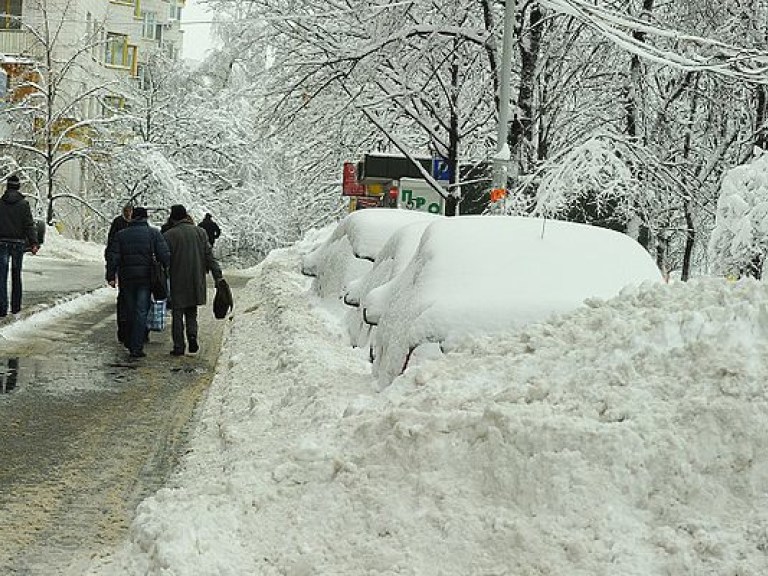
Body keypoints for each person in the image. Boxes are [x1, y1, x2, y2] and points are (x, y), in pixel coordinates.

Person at [106, 207, 170, 358]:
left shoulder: (121, 235)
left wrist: (110, 275)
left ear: (132, 218)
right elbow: (165, 255)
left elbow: (112, 256)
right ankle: (136, 346)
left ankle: (128, 339)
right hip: (145, 278)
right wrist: (164, 269)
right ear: (146, 218)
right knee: (141, 311)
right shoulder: (154, 233)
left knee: (128, 309)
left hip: (126, 278)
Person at [163, 204, 223, 356]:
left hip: (177, 280)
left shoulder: (169, 235)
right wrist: (218, 276)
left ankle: (179, 346)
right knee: (191, 312)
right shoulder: (201, 233)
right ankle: (192, 336)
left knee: (177, 314)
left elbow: (164, 261)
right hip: (196, 279)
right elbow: (209, 257)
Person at [0, 174, 39, 317]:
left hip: (2, 243)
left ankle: (1, 308)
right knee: (16, 275)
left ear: (7, 186)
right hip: (18, 244)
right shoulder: (24, 204)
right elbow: (29, 225)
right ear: (18, 187)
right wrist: (34, 242)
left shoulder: (1, 203)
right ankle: (15, 307)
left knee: (1, 277)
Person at [105, 203, 132, 343]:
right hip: (125, 269)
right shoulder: (118, 223)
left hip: (125, 269)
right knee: (129, 302)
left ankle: (127, 331)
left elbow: (111, 249)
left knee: (125, 301)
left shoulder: (134, 225)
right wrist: (111, 274)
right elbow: (112, 248)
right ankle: (127, 331)